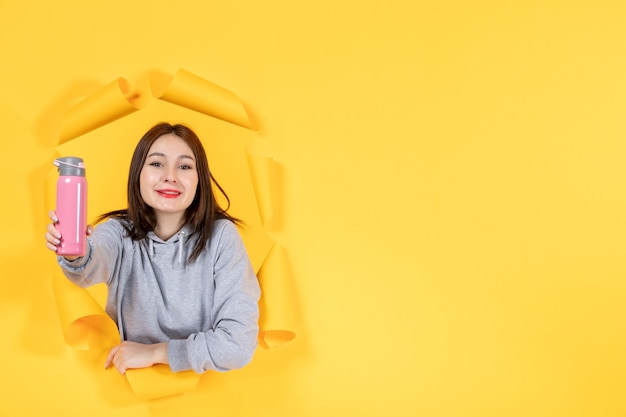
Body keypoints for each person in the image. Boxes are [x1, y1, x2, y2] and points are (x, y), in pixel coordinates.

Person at [44, 122, 261, 375]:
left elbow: (238, 345)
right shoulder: (119, 233)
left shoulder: (221, 237)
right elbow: (89, 266)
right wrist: (74, 251)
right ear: (138, 173)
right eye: (157, 163)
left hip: (204, 395)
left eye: (184, 166)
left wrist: (155, 352)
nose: (170, 176)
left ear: (199, 179)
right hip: (128, 390)